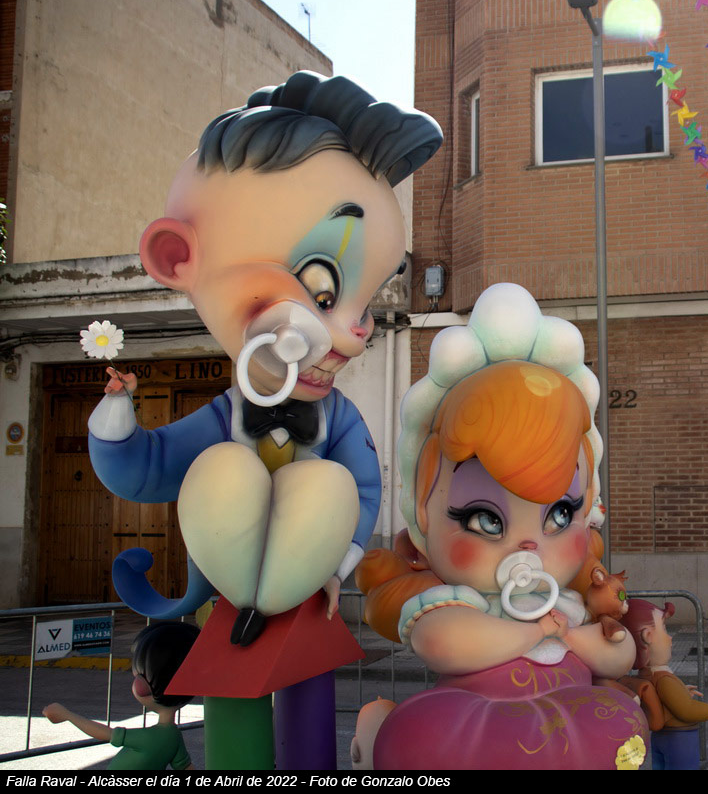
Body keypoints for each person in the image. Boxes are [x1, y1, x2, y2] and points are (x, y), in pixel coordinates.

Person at [86, 71, 442, 768]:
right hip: (226, 595)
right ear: (178, 257)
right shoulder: (223, 420)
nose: (353, 336)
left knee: (308, 712)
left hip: (311, 596)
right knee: (236, 720)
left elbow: (362, 487)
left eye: (366, 303)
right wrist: (116, 410)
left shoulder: (338, 420)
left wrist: (335, 564)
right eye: (323, 291)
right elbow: (146, 468)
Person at [356, 283, 649, 770]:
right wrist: (533, 634)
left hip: (571, 710)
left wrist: (587, 638)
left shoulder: (568, 604)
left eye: (560, 515)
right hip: (472, 715)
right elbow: (441, 640)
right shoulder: (462, 600)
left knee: (619, 720)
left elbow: (618, 660)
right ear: (425, 512)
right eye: (485, 520)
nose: (529, 544)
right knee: (421, 735)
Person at [43, 622, 200, 770]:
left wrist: (67, 715)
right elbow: (184, 766)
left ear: (144, 686)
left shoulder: (149, 738)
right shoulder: (174, 736)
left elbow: (105, 733)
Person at [622, 599, 708, 770]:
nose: (670, 638)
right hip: (680, 739)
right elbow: (687, 710)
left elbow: (661, 699)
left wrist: (681, 691)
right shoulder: (664, 679)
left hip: (660, 737)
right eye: (664, 629)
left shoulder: (646, 675)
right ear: (648, 636)